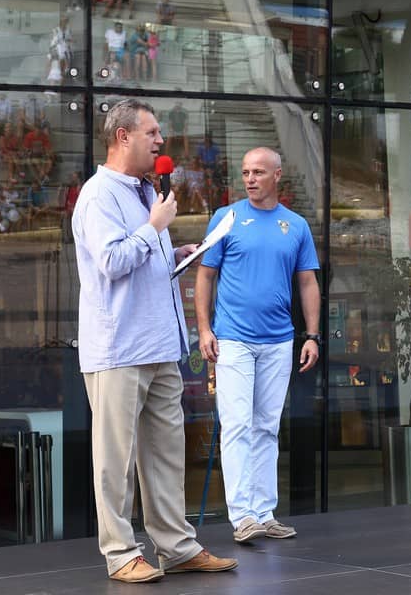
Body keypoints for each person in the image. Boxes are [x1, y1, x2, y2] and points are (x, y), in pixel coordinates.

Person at [71, 99, 237, 583]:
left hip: (160, 345)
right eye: (152, 132)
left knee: (165, 454)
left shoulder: (146, 192)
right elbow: (111, 262)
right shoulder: (98, 195)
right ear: (123, 137)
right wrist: (155, 227)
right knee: (116, 460)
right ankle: (121, 553)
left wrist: (175, 252)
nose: (161, 141)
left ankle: (177, 547)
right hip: (119, 349)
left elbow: (140, 261)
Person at [195, 147, 320, 543]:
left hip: (279, 341)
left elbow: (307, 282)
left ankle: (264, 513)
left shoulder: (296, 225)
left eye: (258, 172)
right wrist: (204, 330)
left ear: (277, 175)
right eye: (246, 172)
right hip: (233, 340)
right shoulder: (226, 217)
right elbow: (205, 275)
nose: (250, 179)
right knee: (236, 426)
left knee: (267, 427)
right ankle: (242, 516)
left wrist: (312, 335)